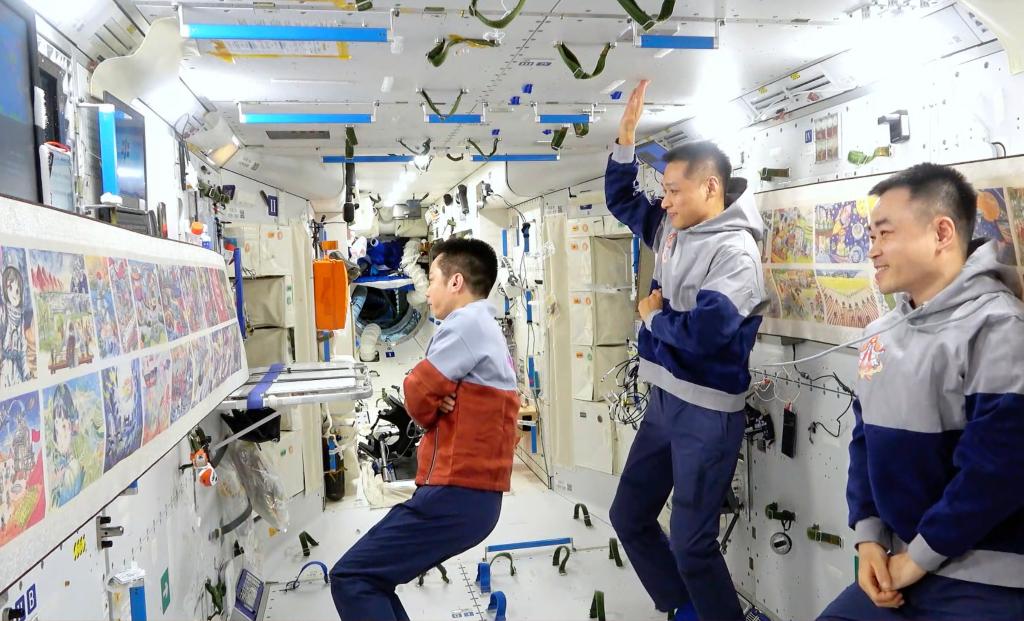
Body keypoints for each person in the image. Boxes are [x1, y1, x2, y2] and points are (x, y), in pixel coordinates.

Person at [818, 163, 1024, 620]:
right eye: (870, 236)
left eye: (885, 233)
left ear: (942, 233)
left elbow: (998, 470)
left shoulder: (998, 328)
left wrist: (917, 559)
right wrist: (868, 538)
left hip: (983, 574)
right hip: (902, 564)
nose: (872, 250)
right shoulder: (879, 334)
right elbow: (864, 442)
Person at [606, 80, 766, 621]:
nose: (665, 200)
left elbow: (705, 333)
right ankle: (683, 609)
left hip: (706, 411)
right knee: (629, 515)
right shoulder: (673, 230)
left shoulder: (735, 253)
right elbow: (623, 201)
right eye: (664, 190)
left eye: (674, 190)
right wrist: (625, 141)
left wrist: (653, 316)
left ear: (710, 187)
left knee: (692, 544)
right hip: (664, 401)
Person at [330, 238, 521, 621]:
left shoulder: (464, 324)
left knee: (352, 577)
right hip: (472, 498)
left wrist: (426, 393)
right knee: (370, 578)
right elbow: (429, 398)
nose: (427, 291)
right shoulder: (485, 325)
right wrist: (439, 397)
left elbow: (416, 397)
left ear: (456, 282)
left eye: (431, 279)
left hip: (456, 494)